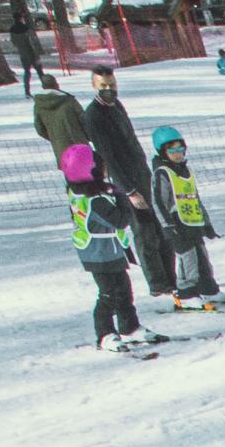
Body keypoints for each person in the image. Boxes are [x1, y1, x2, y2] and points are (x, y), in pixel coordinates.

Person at [84, 69, 173, 298]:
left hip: (142, 172)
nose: (109, 90)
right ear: (94, 86)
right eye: (103, 85)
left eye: (112, 84)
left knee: (160, 227)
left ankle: (172, 278)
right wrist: (129, 190)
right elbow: (108, 156)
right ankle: (157, 282)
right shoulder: (93, 115)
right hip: (127, 180)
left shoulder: (118, 106)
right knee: (144, 232)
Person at [61, 142, 150, 353]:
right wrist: (121, 196)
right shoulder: (95, 199)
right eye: (102, 166)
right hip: (100, 253)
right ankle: (105, 334)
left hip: (110, 250)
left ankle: (130, 328)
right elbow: (120, 221)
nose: (106, 169)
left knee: (124, 290)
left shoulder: (83, 193)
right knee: (109, 293)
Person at [148, 126, 225, 308]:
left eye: (180, 149)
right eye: (172, 150)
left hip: (193, 222)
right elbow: (158, 202)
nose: (177, 154)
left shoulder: (186, 171)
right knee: (187, 258)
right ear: (163, 152)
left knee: (202, 256)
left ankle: (209, 289)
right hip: (176, 224)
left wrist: (207, 223)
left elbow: (195, 198)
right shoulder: (162, 173)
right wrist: (166, 225)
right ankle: (186, 293)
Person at [32, 73, 88, 167]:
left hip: (60, 148)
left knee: (70, 176)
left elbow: (40, 129)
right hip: (79, 143)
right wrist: (87, 136)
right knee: (88, 173)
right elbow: (84, 120)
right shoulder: (69, 101)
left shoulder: (38, 105)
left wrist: (55, 137)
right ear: (57, 85)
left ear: (43, 87)